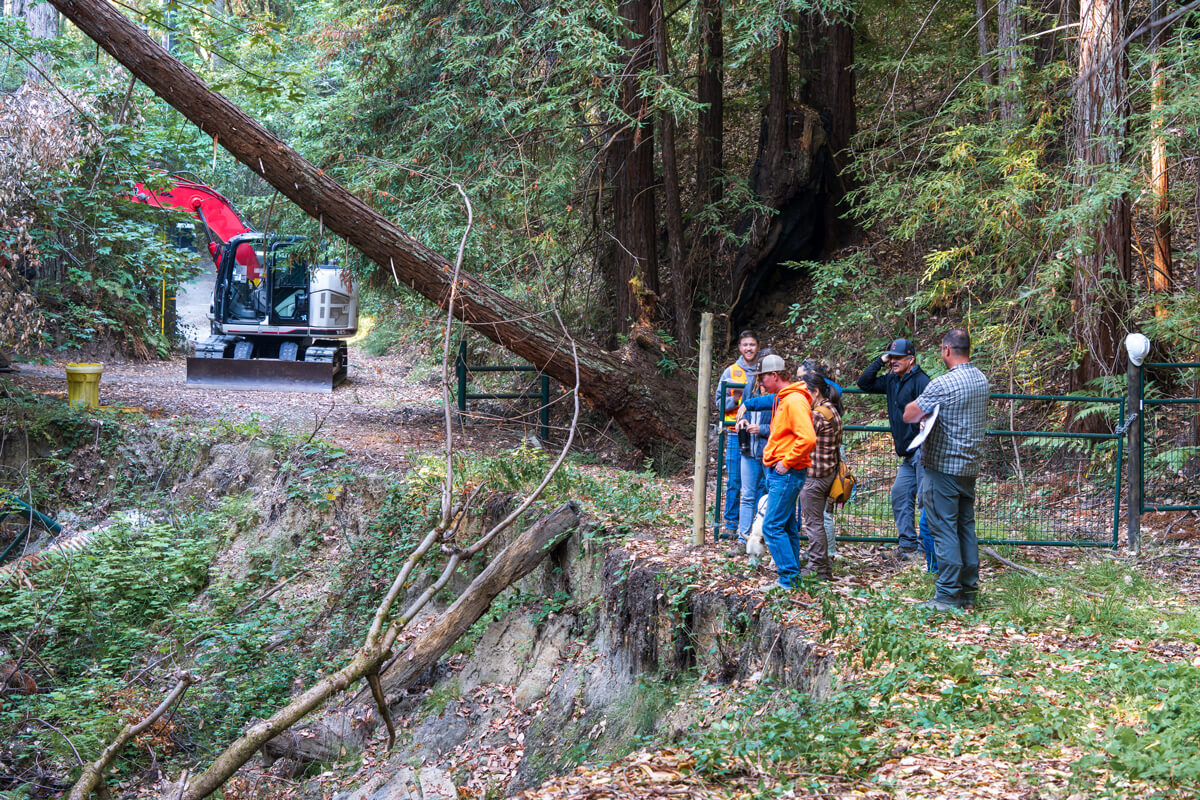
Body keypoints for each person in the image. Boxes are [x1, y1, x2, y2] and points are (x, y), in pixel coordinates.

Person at [903, 328, 989, 612]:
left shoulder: (943, 384)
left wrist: (920, 411)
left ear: (947, 350)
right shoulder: (981, 380)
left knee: (943, 529)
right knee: (965, 527)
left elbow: (910, 413)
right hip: (969, 467)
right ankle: (968, 590)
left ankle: (946, 595)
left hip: (943, 468)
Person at [856, 338, 933, 565]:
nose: (893, 362)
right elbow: (864, 383)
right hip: (907, 455)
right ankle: (908, 546)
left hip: (921, 450)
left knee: (925, 501)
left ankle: (926, 550)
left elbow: (932, 410)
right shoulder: (891, 380)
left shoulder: (921, 381)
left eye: (898, 358)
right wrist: (881, 360)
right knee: (899, 495)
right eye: (892, 357)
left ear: (911, 360)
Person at [757, 355, 817, 588]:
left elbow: (808, 438)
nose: (760, 382)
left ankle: (789, 581)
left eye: (762, 377)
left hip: (786, 473)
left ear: (774, 375)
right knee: (787, 525)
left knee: (771, 526)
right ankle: (793, 580)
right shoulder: (785, 399)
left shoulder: (794, 401)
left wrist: (788, 462)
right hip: (781, 472)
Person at [732, 349, 778, 553]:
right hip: (749, 450)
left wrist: (762, 429)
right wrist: (742, 421)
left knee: (771, 496)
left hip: (770, 451)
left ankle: (769, 540)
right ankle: (744, 539)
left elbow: (782, 427)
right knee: (748, 495)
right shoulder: (752, 388)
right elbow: (742, 410)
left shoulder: (781, 395)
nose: (761, 379)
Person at [798, 369, 842, 580]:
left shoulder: (817, 415)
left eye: (805, 392)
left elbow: (801, 438)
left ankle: (817, 568)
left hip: (814, 477)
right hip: (828, 474)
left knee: (813, 524)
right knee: (818, 523)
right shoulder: (832, 410)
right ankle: (823, 568)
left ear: (815, 392)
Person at [716, 331, 761, 539]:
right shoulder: (731, 372)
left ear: (757, 347)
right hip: (735, 433)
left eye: (752, 344)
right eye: (745, 345)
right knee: (734, 480)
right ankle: (731, 523)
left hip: (760, 433)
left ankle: (757, 524)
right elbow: (719, 403)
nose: (749, 348)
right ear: (739, 348)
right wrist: (734, 400)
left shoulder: (764, 370)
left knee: (760, 482)